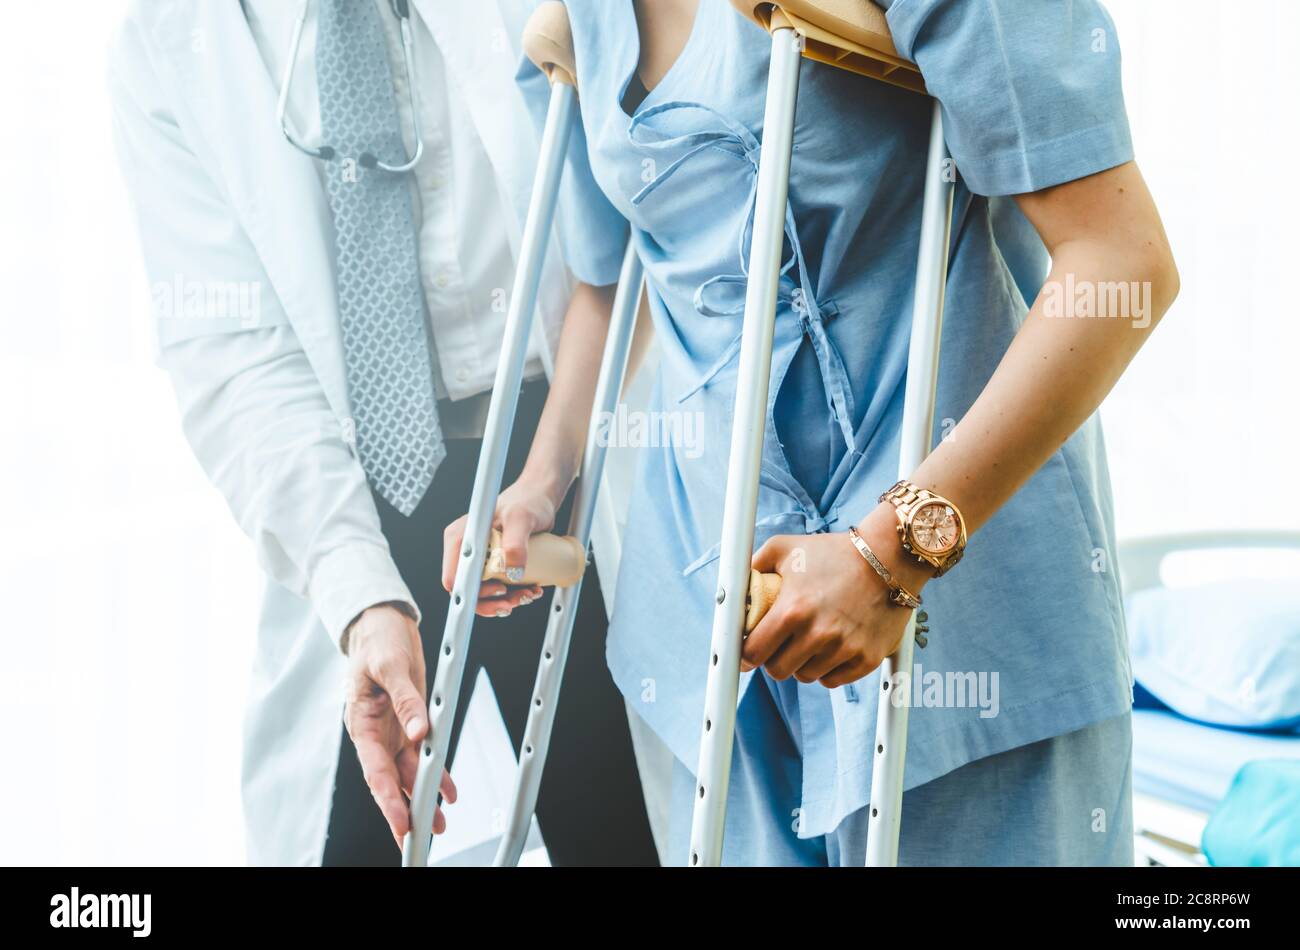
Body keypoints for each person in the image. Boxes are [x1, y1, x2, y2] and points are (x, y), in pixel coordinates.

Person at [473, 0, 1179, 865]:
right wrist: (543, 480)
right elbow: (615, 273)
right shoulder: (571, 18)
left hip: (956, 607)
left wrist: (889, 558)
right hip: (727, 620)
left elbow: (1121, 260)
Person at [108, 0, 659, 866]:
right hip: (347, 493)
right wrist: (360, 595)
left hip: (569, 442)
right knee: (351, 837)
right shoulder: (169, 38)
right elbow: (238, 362)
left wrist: (553, 462)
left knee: (631, 831)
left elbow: (641, 213)